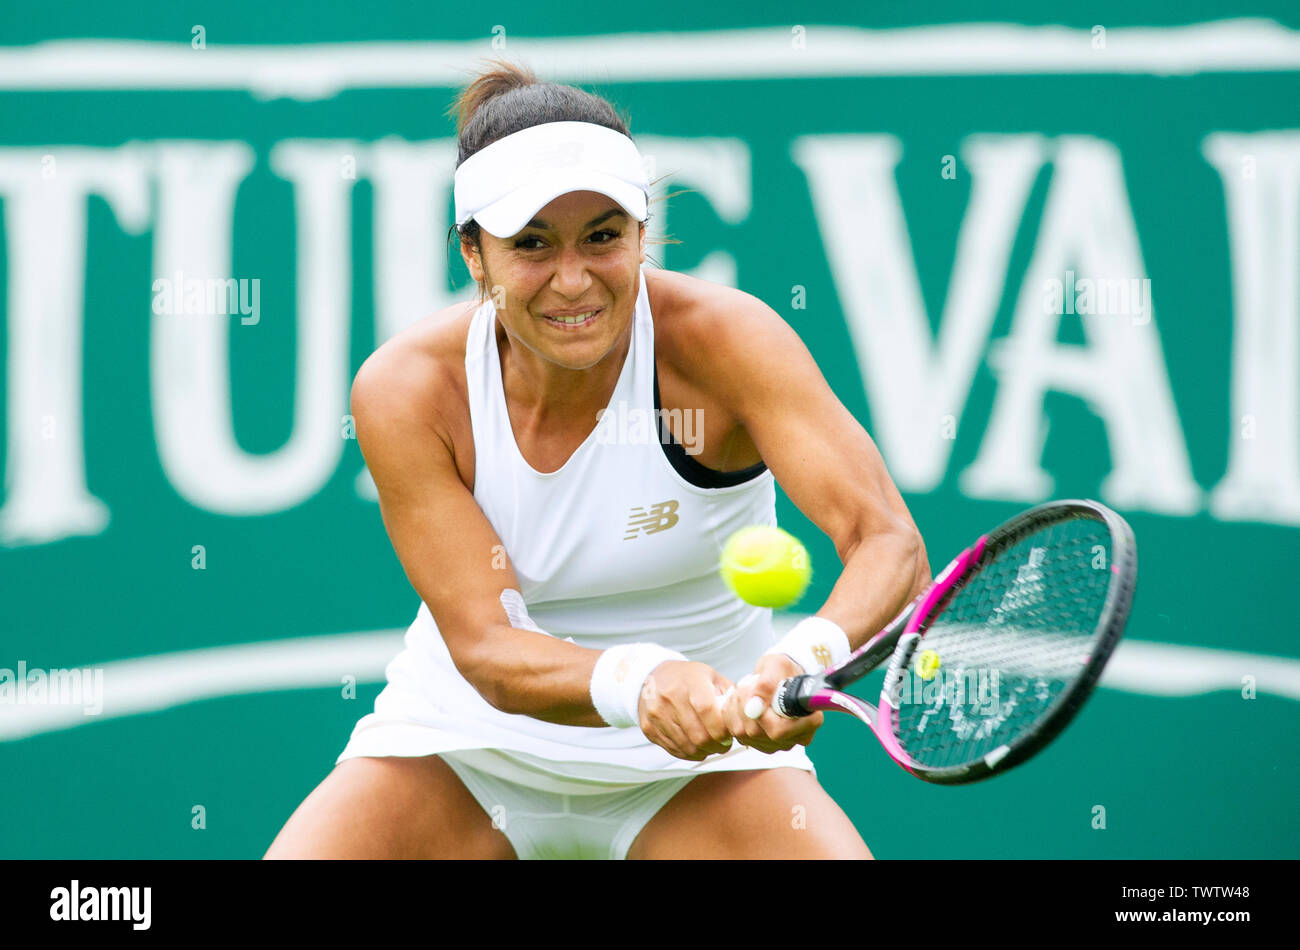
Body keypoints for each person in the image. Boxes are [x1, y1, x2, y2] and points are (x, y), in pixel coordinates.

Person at [265, 59, 929, 860]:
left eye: (603, 237)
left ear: (643, 234)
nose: (573, 280)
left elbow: (888, 542)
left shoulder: (729, 343)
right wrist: (642, 681)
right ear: (474, 253)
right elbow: (488, 651)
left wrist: (801, 662)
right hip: (463, 755)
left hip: (705, 775)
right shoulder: (408, 388)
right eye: (532, 244)